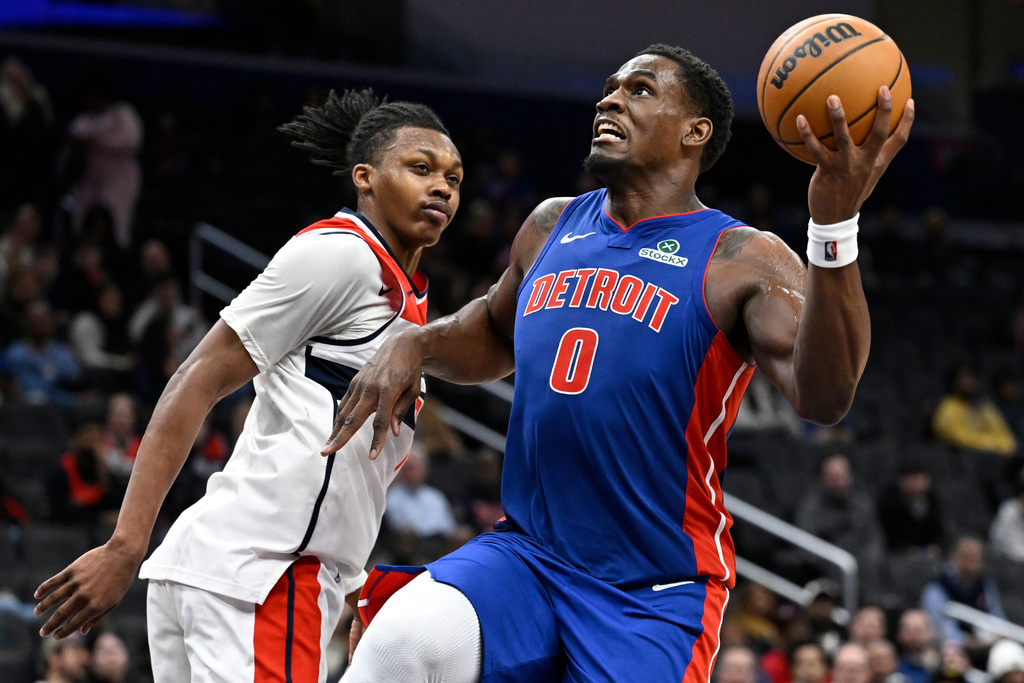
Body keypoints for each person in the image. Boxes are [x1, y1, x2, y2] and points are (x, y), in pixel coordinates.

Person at [331, 42, 914, 682]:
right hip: (527, 554)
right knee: (398, 645)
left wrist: (834, 226)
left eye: (640, 90)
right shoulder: (551, 224)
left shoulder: (742, 257)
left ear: (697, 132)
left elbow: (824, 396)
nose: (610, 99)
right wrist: (418, 340)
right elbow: (492, 333)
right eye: (611, 87)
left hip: (651, 589)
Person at [33, 88, 463, 683]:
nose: (442, 187)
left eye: (454, 178)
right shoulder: (342, 257)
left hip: (233, 572)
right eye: (421, 169)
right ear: (364, 177)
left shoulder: (403, 300)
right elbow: (197, 377)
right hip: (268, 576)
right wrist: (126, 545)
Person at [920, 536, 1006, 647]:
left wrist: (1001, 632)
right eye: (966, 555)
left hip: (986, 641)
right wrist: (966, 641)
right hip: (952, 647)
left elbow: (996, 614)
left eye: (976, 556)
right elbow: (939, 628)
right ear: (954, 555)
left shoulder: (984, 583)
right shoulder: (938, 586)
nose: (971, 561)